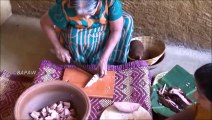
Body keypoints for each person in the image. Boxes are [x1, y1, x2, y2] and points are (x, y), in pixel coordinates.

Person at [40, 0, 133, 77]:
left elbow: (116, 29)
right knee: (77, 38)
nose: (86, 17)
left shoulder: (110, 2)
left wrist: (104, 58)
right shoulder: (64, 6)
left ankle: (110, 63)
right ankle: (83, 64)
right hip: (79, 29)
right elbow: (45, 23)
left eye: (89, 13)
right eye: (81, 14)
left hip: (105, 25)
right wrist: (58, 47)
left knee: (127, 22)